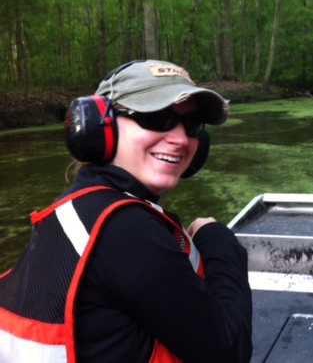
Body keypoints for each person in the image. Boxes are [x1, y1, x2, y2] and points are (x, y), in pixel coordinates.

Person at [0, 60, 252, 363]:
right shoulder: (124, 230)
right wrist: (219, 241)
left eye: (192, 125)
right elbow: (229, 352)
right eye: (158, 117)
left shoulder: (74, 208)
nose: (181, 139)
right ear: (98, 125)